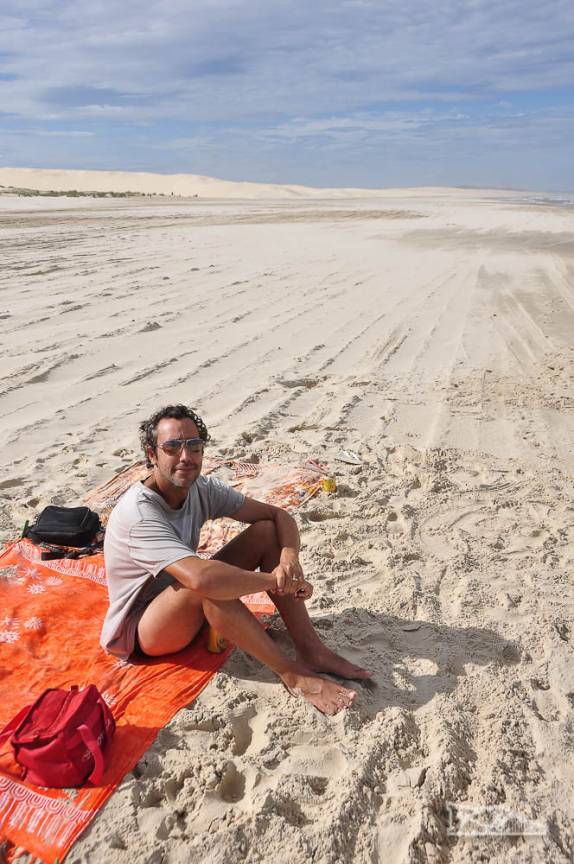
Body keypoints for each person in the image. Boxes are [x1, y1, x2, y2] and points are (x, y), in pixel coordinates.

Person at [100, 404, 370, 715]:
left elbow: (278, 515)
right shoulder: (139, 514)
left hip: (180, 595)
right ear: (152, 454)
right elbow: (201, 579)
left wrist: (289, 559)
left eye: (194, 446)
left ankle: (311, 650)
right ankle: (292, 675)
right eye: (172, 447)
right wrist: (277, 580)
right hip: (143, 629)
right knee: (208, 583)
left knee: (266, 533)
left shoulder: (200, 487)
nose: (185, 457)